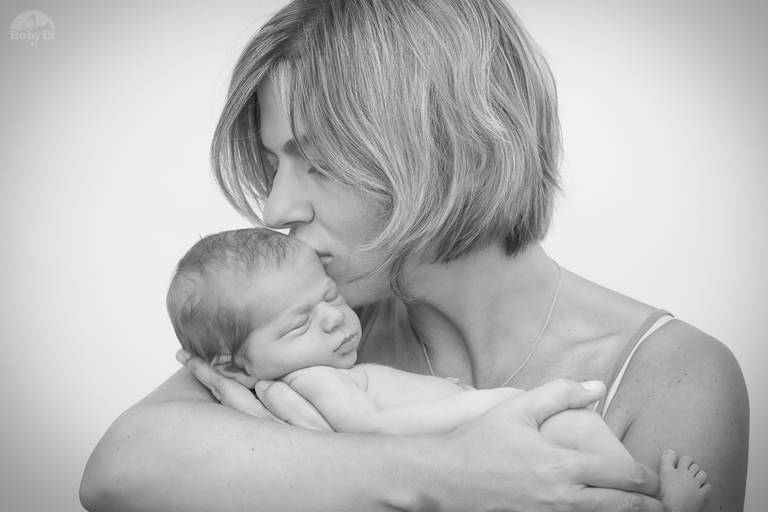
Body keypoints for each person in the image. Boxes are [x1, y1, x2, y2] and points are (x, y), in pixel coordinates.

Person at [80, 1, 749, 511]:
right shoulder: (321, 325)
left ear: (448, 147)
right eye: (273, 161)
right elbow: (118, 469)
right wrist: (451, 474)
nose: (275, 210)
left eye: (316, 162)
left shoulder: (672, 373)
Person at [165, 226, 711, 512]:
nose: (334, 321)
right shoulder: (311, 380)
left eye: (329, 297)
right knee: (576, 434)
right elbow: (371, 433)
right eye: (297, 325)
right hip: (483, 424)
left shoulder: (682, 367)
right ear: (232, 363)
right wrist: (483, 408)